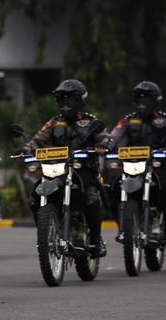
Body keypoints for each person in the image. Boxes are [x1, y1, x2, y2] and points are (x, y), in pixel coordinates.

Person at [15, 79, 109, 257]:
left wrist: (104, 144)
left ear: (81, 100)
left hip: (84, 171)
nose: (66, 104)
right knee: (35, 197)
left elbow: (104, 136)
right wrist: (27, 150)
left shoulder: (91, 121)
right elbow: (38, 140)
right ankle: (48, 231)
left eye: (70, 99)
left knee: (92, 200)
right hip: (58, 170)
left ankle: (96, 241)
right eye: (62, 99)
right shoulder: (53, 123)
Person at [105, 81, 166, 244]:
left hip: (158, 163)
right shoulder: (127, 120)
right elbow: (115, 135)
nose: (142, 103)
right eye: (139, 99)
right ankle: (123, 227)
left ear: (155, 101)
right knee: (113, 189)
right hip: (132, 163)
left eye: (146, 99)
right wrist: (108, 144)